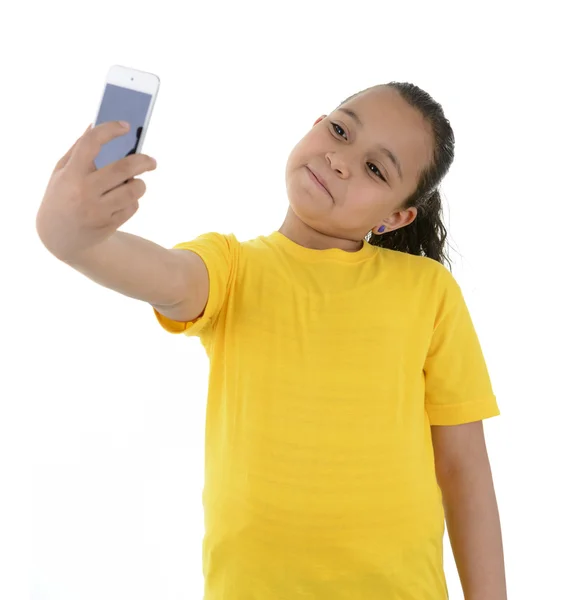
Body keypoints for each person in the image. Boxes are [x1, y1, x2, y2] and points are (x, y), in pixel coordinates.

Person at [35, 82, 508, 600]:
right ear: (313, 126)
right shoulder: (233, 267)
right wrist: (73, 240)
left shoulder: (428, 291)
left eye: (376, 169)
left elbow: (464, 470)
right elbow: (166, 276)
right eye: (340, 130)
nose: (340, 159)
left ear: (394, 217)